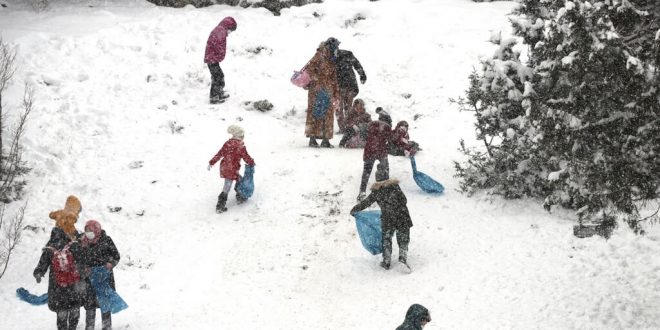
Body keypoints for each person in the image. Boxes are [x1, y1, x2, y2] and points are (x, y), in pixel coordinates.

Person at [34, 195, 84, 330]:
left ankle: (64, 327)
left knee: (62, 308)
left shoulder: (54, 240)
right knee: (74, 307)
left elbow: (46, 256)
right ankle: (72, 326)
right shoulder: (75, 239)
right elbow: (83, 257)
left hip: (58, 282)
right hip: (74, 280)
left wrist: (39, 271)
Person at [350, 168, 412, 270]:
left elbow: (366, 202)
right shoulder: (395, 186)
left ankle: (386, 261)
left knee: (386, 240)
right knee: (403, 238)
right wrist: (396, 206)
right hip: (402, 215)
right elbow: (404, 200)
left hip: (388, 218)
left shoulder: (377, 191)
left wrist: (355, 210)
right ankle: (402, 258)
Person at [80, 220, 120, 330]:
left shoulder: (106, 240)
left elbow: (116, 255)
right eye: (86, 230)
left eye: (90, 230)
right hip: (89, 281)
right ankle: (89, 328)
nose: (88, 233)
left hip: (104, 279)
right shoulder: (83, 242)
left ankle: (107, 328)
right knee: (90, 307)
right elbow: (78, 260)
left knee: (105, 306)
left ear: (96, 230)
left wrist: (110, 263)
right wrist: (83, 268)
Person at [208, 125, 256, 213]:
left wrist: (212, 162)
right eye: (242, 136)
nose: (243, 137)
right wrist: (251, 162)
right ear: (239, 136)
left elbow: (219, 154)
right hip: (232, 169)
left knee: (238, 180)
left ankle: (239, 197)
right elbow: (246, 156)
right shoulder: (240, 145)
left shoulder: (227, 143)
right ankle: (220, 206)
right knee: (227, 187)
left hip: (226, 167)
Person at [305, 38, 341, 148]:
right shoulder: (319, 55)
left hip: (328, 90)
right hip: (316, 90)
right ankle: (312, 138)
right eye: (336, 46)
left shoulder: (332, 58)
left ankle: (326, 139)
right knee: (315, 113)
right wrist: (317, 82)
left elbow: (333, 77)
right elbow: (310, 70)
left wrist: (336, 92)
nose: (337, 49)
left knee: (328, 114)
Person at [329, 38, 367, 132]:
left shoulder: (331, 57)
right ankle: (347, 127)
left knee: (340, 108)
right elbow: (357, 64)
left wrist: (362, 75)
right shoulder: (346, 54)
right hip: (348, 84)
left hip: (341, 85)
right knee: (346, 107)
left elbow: (356, 64)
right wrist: (362, 75)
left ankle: (345, 127)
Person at [357, 107, 392, 201]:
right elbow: (391, 140)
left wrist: (370, 140)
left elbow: (363, 135)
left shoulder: (370, 124)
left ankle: (362, 192)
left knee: (366, 172)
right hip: (381, 150)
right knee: (385, 169)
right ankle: (385, 191)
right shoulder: (387, 127)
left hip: (369, 150)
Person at [204, 16, 237, 104]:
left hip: (212, 58)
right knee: (217, 77)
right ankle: (214, 97)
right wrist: (220, 53)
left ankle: (219, 93)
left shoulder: (220, 29)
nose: (230, 33)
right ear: (228, 27)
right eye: (231, 30)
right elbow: (217, 44)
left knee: (220, 76)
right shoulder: (220, 31)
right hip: (212, 59)